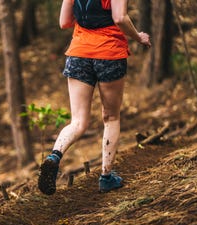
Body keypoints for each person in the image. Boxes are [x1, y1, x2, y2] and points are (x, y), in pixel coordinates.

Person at [38, 0, 151, 195]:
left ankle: (54, 157)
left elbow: (64, 22)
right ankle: (106, 178)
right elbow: (120, 18)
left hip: (79, 54)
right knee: (111, 117)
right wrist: (138, 37)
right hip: (109, 54)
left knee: (78, 121)